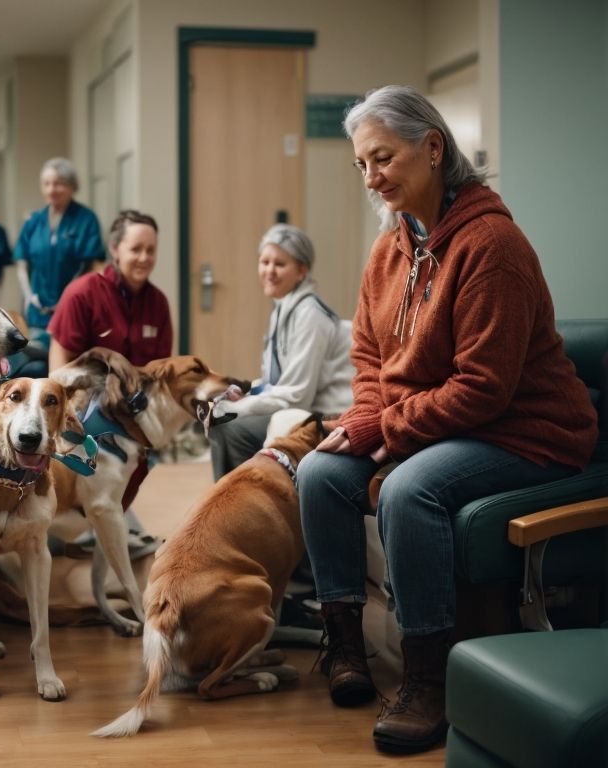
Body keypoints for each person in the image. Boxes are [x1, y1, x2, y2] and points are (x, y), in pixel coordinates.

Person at [298, 85, 596, 755]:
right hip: (447, 423)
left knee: (411, 488)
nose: (372, 178)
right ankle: (344, 644)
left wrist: (389, 430)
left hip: (527, 431)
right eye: (361, 165)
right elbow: (369, 356)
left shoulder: (492, 245)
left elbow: (485, 388)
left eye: (384, 158)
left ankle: (428, 676)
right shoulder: (390, 248)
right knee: (319, 472)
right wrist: (372, 417)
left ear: (433, 149)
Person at [46, 210, 173, 558]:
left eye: (151, 250)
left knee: (146, 444)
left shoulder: (158, 303)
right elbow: (58, 371)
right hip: (84, 407)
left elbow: (158, 374)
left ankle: (108, 519)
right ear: (115, 249)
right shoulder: (83, 293)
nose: (144, 258)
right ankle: (87, 521)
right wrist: (64, 420)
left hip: (131, 410)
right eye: (136, 249)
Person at [210, 224, 354, 480]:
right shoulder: (284, 309)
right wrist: (244, 392)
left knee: (231, 427)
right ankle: (234, 504)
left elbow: (297, 395)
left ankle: (243, 506)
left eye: (279, 264)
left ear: (302, 271)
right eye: (264, 262)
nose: (269, 271)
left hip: (326, 416)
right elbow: (275, 383)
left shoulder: (310, 315)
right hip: (301, 406)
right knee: (224, 419)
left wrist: (241, 408)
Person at [14, 157, 104, 332]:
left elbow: (93, 266)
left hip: (74, 308)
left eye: (58, 183)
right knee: (36, 355)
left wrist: (68, 299)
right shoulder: (34, 222)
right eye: (46, 184)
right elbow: (21, 263)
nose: (51, 189)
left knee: (71, 357)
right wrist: (29, 297)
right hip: (38, 312)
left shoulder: (86, 220)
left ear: (72, 186)